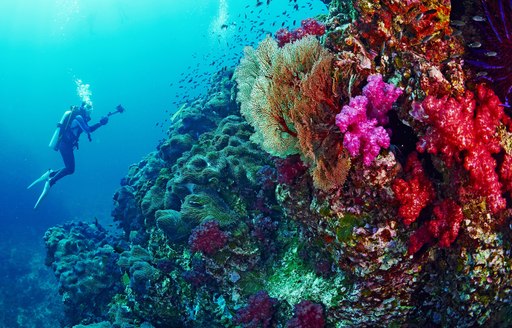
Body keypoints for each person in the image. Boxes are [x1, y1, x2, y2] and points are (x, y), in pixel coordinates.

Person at [28, 102, 109, 209]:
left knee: (70, 169)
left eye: (91, 108)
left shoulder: (80, 117)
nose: (90, 111)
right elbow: (88, 130)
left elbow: (85, 129)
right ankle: (50, 181)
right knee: (70, 169)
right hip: (65, 145)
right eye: (89, 108)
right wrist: (100, 123)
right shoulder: (79, 117)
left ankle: (51, 174)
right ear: (84, 108)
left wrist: (100, 123)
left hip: (66, 145)